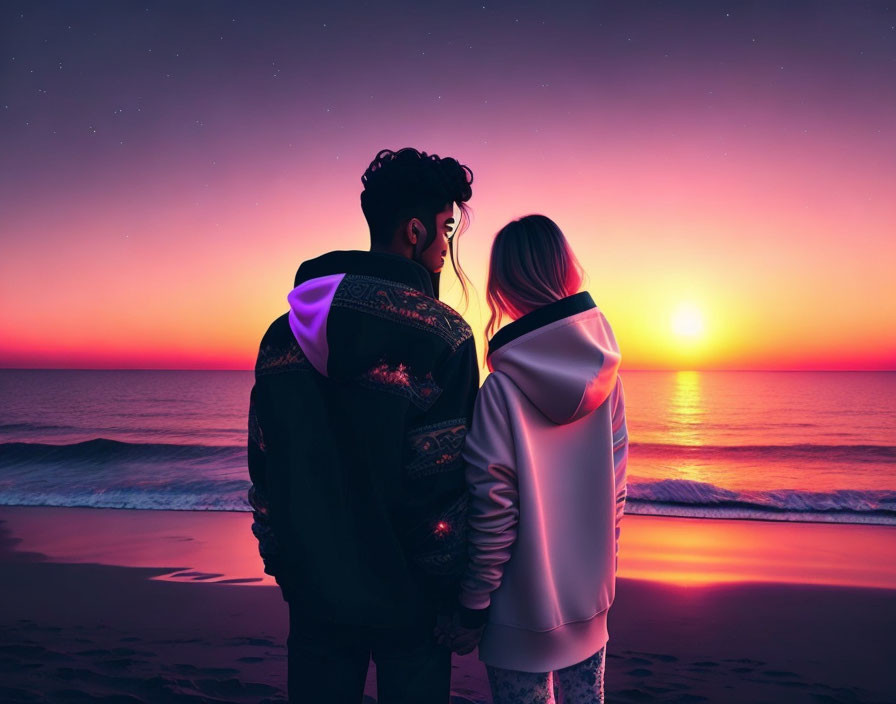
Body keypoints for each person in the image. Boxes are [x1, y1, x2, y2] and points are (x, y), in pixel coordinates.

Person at [247, 148, 480, 703]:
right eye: (446, 229)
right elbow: (440, 484)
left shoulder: (282, 332)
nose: (446, 247)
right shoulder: (443, 337)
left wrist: (283, 562)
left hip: (313, 589)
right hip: (411, 602)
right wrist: (453, 594)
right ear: (415, 230)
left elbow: (265, 466)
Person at [439, 214, 629, 704]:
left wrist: (474, 602)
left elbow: (494, 508)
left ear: (503, 285)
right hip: (590, 600)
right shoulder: (607, 377)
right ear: (566, 270)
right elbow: (617, 492)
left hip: (517, 614)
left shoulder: (500, 390)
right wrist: (600, 574)